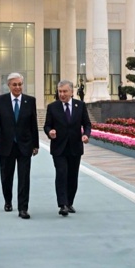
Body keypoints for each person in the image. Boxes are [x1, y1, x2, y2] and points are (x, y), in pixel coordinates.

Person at [0, 72, 39, 219]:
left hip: (25, 145)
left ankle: (23, 208)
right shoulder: (1, 100)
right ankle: (8, 200)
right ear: (9, 85)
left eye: (20, 84)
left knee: (24, 177)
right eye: (14, 84)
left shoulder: (30, 101)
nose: (17, 87)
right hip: (6, 145)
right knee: (6, 176)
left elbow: (33, 124)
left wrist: (35, 145)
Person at [44, 79, 91, 217]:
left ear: (72, 92)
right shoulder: (52, 107)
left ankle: (69, 202)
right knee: (61, 173)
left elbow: (87, 124)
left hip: (75, 147)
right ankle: (62, 204)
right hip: (59, 147)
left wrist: (86, 135)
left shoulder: (80, 106)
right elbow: (47, 125)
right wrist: (50, 132)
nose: (62, 94)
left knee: (72, 176)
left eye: (65, 91)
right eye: (60, 91)